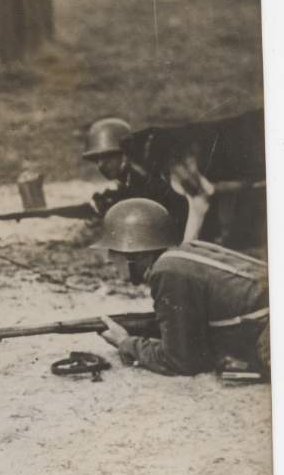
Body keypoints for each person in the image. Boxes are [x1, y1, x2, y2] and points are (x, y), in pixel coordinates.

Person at [94, 198, 269, 378]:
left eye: (113, 251)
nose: (109, 259)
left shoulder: (168, 271)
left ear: (134, 254)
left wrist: (125, 342)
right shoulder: (184, 254)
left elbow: (180, 360)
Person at [82, 117, 188, 231]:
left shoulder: (145, 179)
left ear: (125, 154)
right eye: (96, 159)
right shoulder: (130, 180)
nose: (101, 165)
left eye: (108, 157)